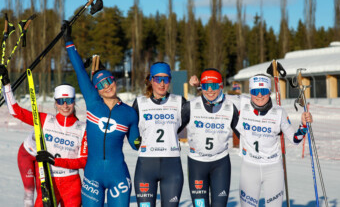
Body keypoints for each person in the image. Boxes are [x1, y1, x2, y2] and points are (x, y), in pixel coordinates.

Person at [62, 22, 140, 207]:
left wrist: (143, 138)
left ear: (114, 81)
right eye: (101, 84)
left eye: (109, 81)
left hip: (118, 176)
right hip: (93, 176)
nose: (107, 86)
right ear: (96, 88)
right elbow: (80, 71)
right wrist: (68, 41)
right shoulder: (93, 103)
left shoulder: (129, 113)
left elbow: (136, 145)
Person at [0, 65, 87, 207]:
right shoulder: (46, 120)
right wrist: (6, 85)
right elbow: (16, 112)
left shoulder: (82, 128)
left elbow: (82, 162)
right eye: (60, 101)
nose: (65, 106)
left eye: (69, 101)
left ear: (74, 102)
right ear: (55, 103)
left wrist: (55, 161)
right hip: (48, 181)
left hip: (71, 185)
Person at [236, 74, 313, 207]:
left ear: (269, 92)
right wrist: (199, 86)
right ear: (250, 92)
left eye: (264, 91)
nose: (260, 95)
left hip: (273, 168)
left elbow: (295, 139)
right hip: (249, 167)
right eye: (255, 92)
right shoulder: (241, 103)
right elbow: (215, 96)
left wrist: (303, 125)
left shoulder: (279, 112)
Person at [132, 62, 187, 207]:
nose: (162, 84)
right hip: (146, 166)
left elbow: (196, 118)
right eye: (158, 79)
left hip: (172, 166)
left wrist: (200, 88)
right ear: (151, 80)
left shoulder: (179, 101)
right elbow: (130, 128)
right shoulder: (140, 103)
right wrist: (136, 143)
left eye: (166, 79)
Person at [185, 68, 239, 207]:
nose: (210, 90)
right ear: (200, 86)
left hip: (220, 164)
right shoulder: (190, 106)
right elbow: (172, 127)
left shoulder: (230, 106)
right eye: (205, 86)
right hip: (197, 163)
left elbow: (243, 132)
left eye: (214, 86)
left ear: (221, 86)